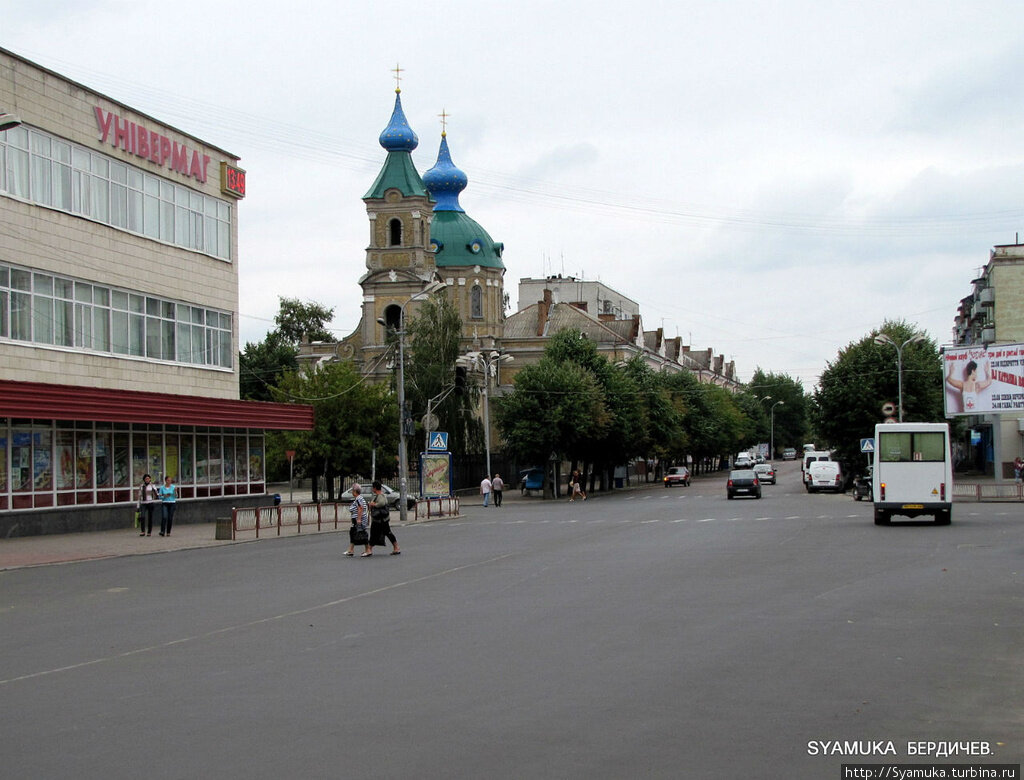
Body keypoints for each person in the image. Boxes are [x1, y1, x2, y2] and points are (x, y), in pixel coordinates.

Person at [369, 480, 400, 555]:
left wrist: (373, 504)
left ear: (375, 488)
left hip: (380, 519)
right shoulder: (378, 495)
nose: (372, 489)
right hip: (379, 519)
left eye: (372, 487)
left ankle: (369, 549)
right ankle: (396, 547)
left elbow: (381, 503)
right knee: (382, 533)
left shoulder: (380, 496)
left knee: (380, 533)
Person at [345, 483, 372, 557]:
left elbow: (360, 508)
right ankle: (351, 550)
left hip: (359, 520)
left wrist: (359, 519)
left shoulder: (358, 498)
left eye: (352, 491)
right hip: (358, 519)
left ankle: (368, 550)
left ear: (354, 491)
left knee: (361, 534)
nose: (352, 492)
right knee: (353, 533)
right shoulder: (359, 498)